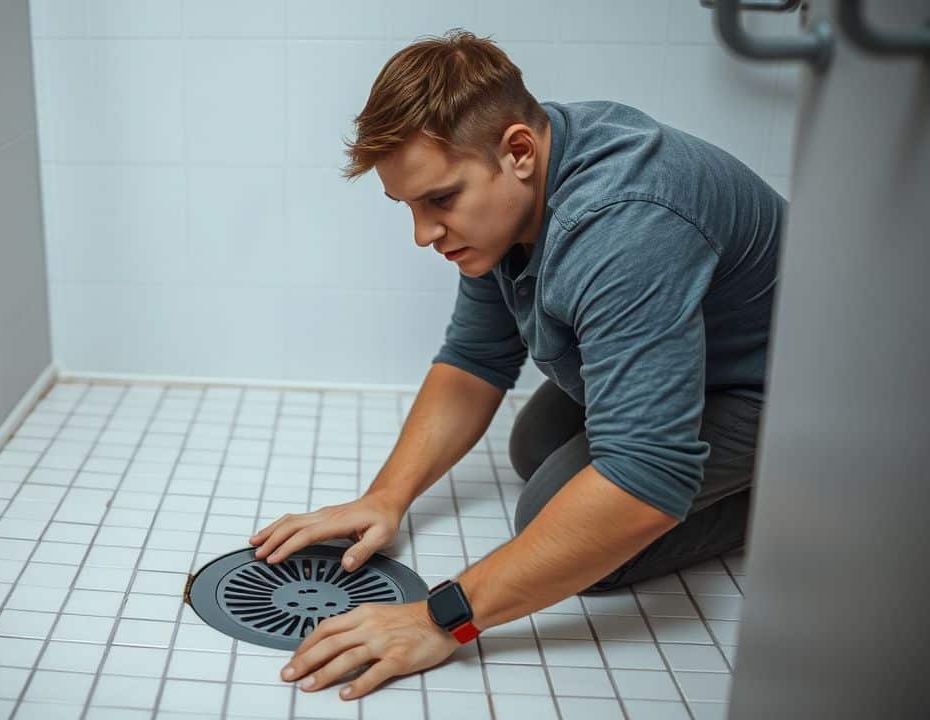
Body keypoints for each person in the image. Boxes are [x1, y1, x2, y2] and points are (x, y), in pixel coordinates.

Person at [248, 29, 780, 701]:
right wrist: (385, 497)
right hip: (711, 354)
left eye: (440, 199)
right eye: (409, 207)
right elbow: (474, 360)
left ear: (519, 152)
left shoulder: (623, 225)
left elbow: (646, 474)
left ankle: (797, 494)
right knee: (535, 444)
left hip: (795, 390)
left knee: (561, 519)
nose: (423, 233)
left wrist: (445, 618)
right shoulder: (518, 176)